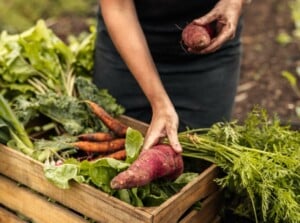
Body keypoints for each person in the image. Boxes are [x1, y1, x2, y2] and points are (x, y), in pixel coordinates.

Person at [93, 0, 248, 153]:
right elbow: (118, 7)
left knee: (203, 157)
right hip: (128, 50)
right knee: (119, 149)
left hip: (210, 45)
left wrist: (234, 2)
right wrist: (159, 102)